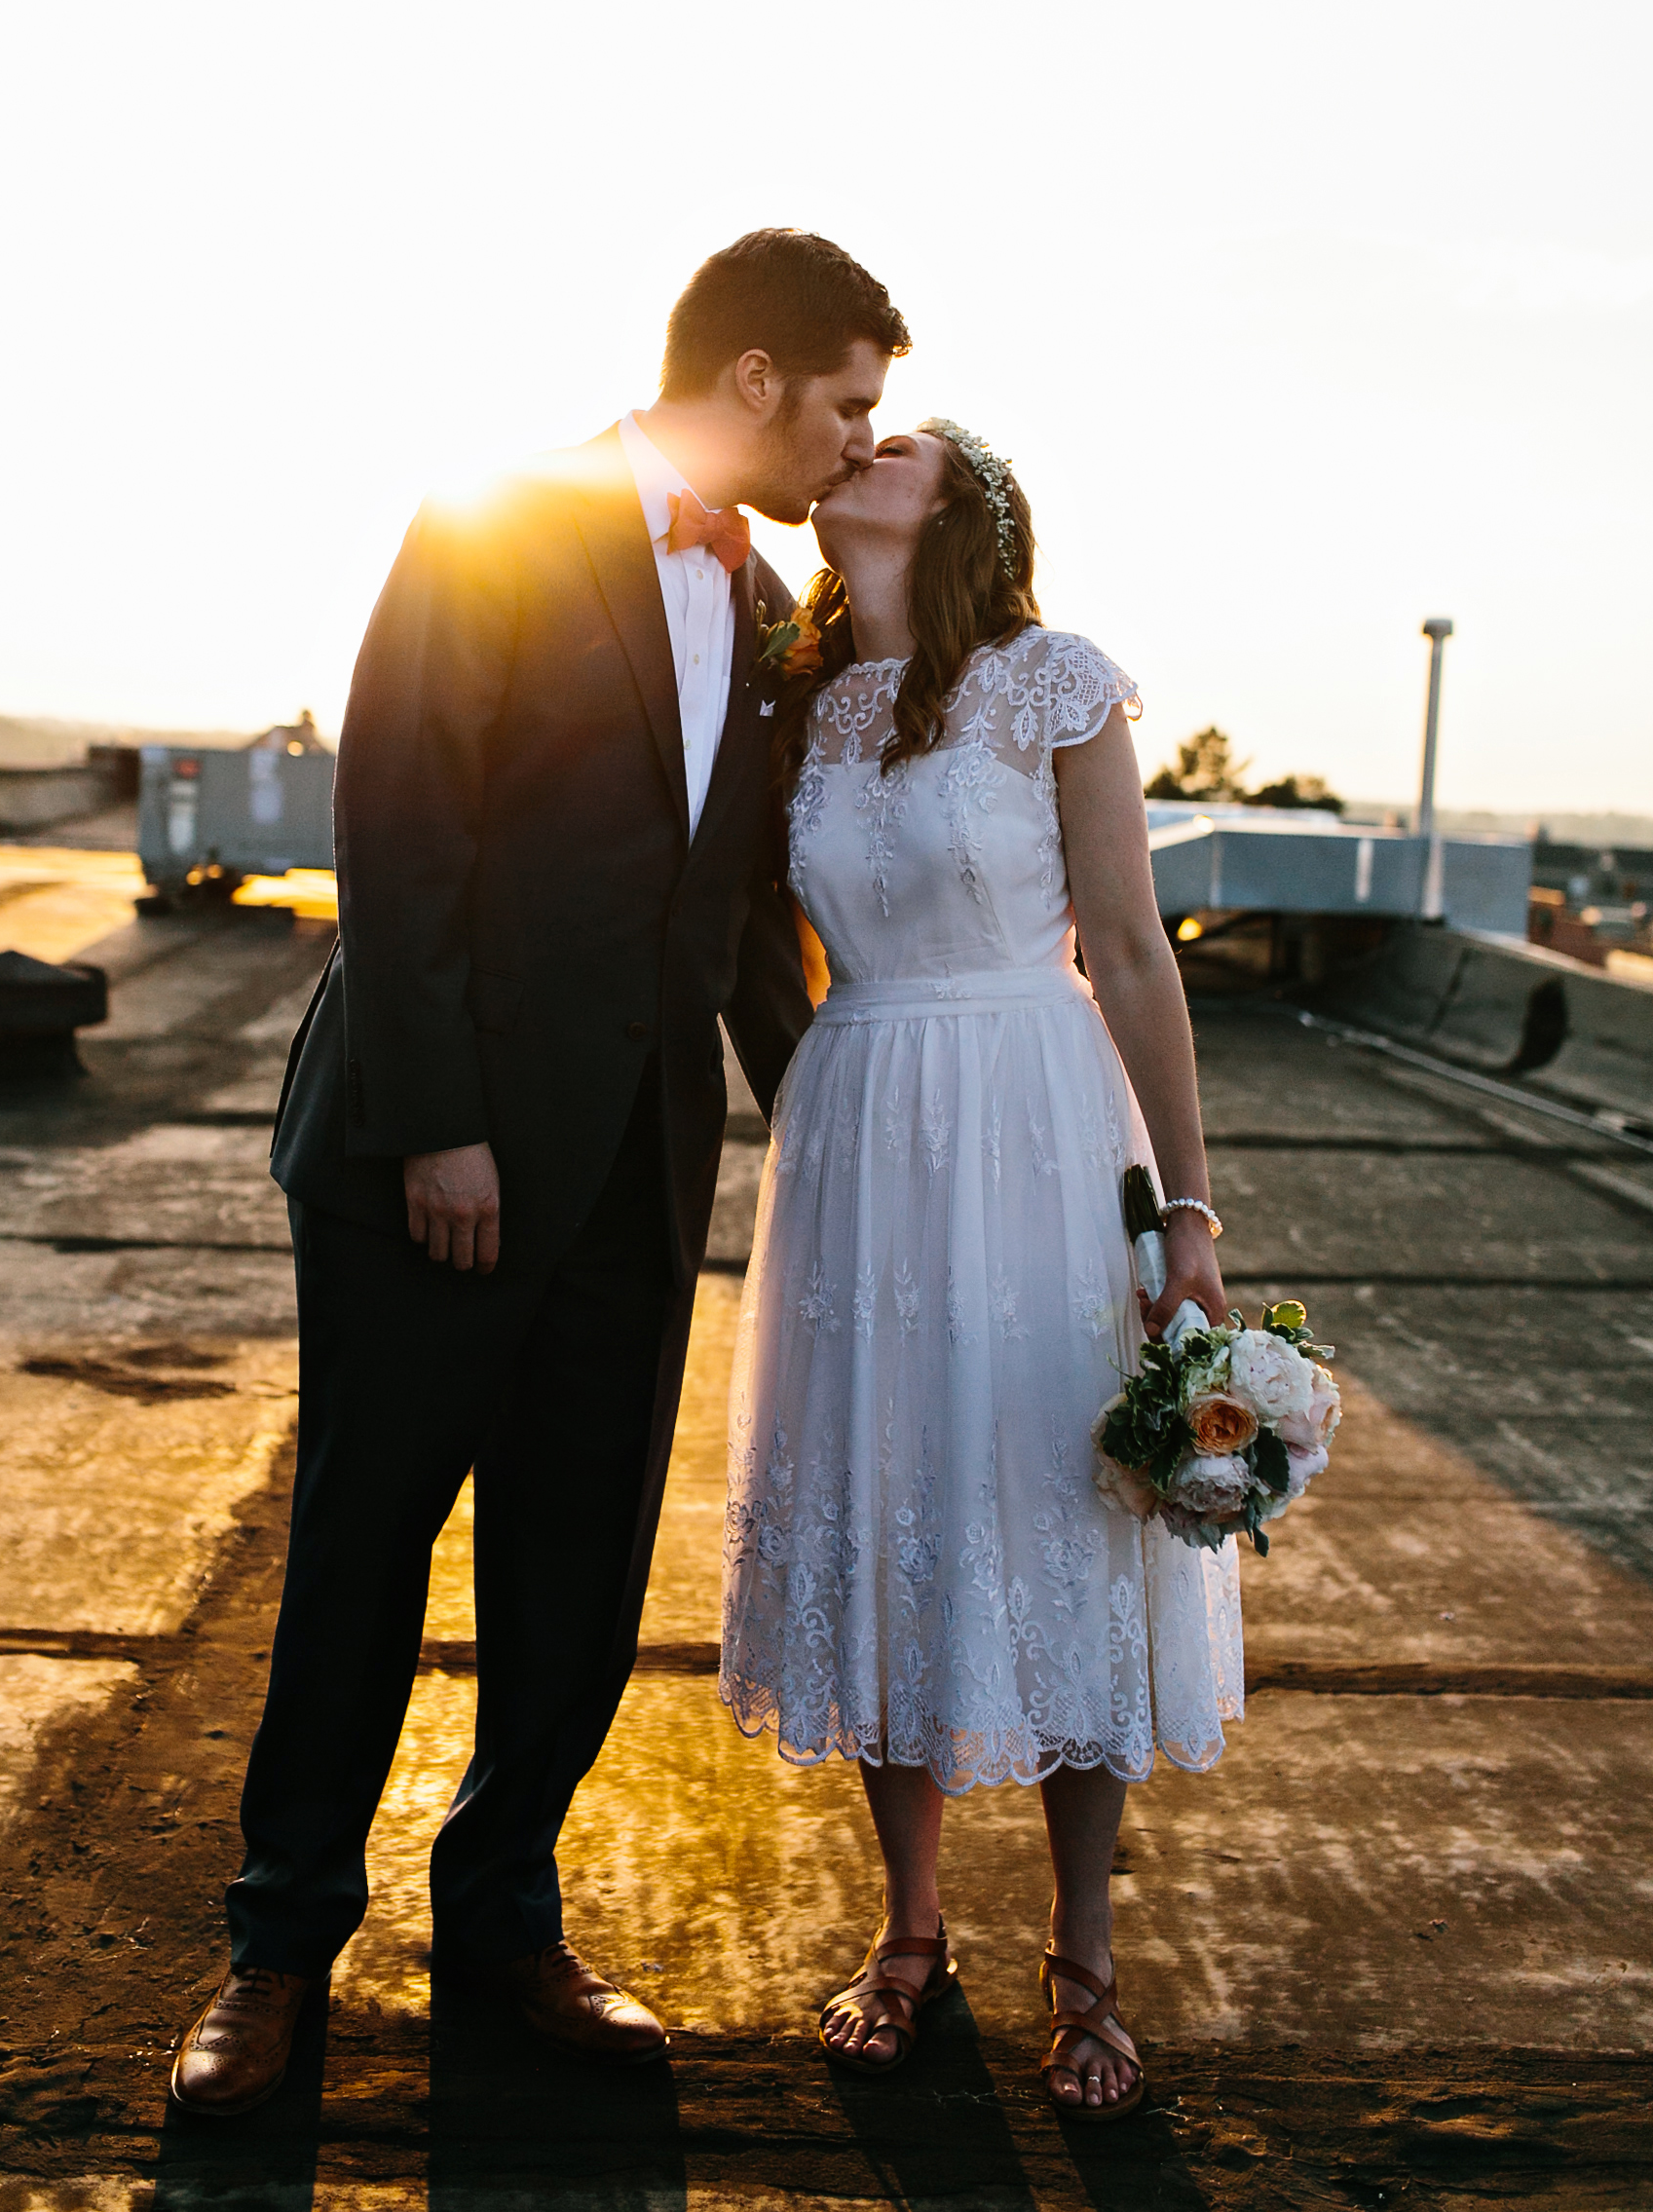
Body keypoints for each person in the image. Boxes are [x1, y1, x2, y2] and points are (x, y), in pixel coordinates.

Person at [169, 230, 911, 2115]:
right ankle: (275, 1955)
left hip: (635, 1175)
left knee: (572, 1579)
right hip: (443, 1157)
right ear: (753, 377)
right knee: (359, 1557)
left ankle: (502, 1922)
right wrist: (441, 1120)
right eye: (844, 403)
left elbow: (734, 904)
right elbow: (398, 823)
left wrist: (839, 1112)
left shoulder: (759, 603)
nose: (853, 446)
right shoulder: (495, 520)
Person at [719, 419, 1241, 2121]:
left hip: (1035, 1115)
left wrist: (1187, 1217)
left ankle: (1086, 1959)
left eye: (900, 443)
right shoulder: (802, 703)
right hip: (862, 1131)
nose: (857, 445)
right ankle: (910, 1931)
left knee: (1061, 1512)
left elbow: (1136, 952)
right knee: (888, 1506)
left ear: (960, 510)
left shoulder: (1052, 681)